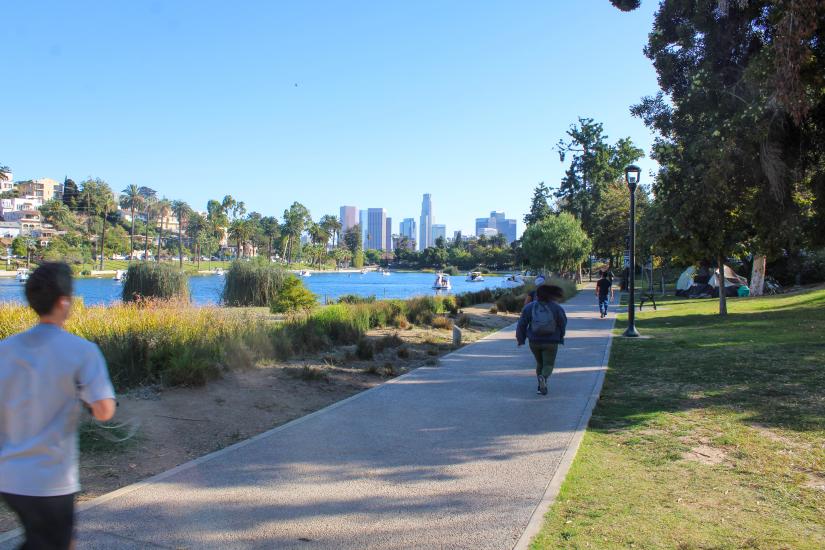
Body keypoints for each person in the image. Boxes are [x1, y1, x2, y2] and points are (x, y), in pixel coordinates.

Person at [0, 262, 116, 550]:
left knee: (50, 542)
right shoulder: (82, 351)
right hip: (50, 479)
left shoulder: (6, 349)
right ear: (64, 302)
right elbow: (104, 410)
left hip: (9, 477)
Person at [516, 285, 567, 396]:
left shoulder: (529, 307)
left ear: (537, 295)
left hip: (534, 341)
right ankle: (543, 378)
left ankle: (540, 387)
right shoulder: (557, 308)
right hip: (551, 342)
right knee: (548, 364)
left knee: (540, 363)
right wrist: (561, 336)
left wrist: (521, 339)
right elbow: (563, 323)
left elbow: (521, 324)